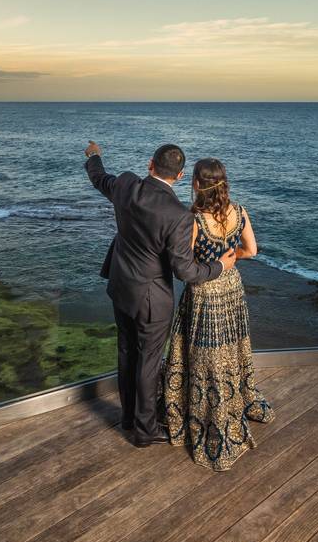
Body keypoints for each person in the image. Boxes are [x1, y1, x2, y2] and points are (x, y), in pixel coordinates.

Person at [84, 141, 236, 447]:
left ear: (150, 164)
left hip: (120, 286)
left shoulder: (126, 184)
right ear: (180, 177)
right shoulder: (179, 216)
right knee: (149, 363)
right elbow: (186, 272)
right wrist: (220, 266)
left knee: (126, 352)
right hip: (152, 299)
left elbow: (100, 178)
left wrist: (94, 156)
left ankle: (128, 418)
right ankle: (144, 431)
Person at [164, 157, 274, 471]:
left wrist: (214, 265)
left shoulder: (193, 219)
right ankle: (235, 400)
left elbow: (185, 271)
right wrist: (231, 258)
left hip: (205, 291)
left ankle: (208, 412)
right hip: (232, 287)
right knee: (232, 348)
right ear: (224, 182)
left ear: (196, 183)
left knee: (204, 355)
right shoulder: (239, 211)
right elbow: (251, 250)